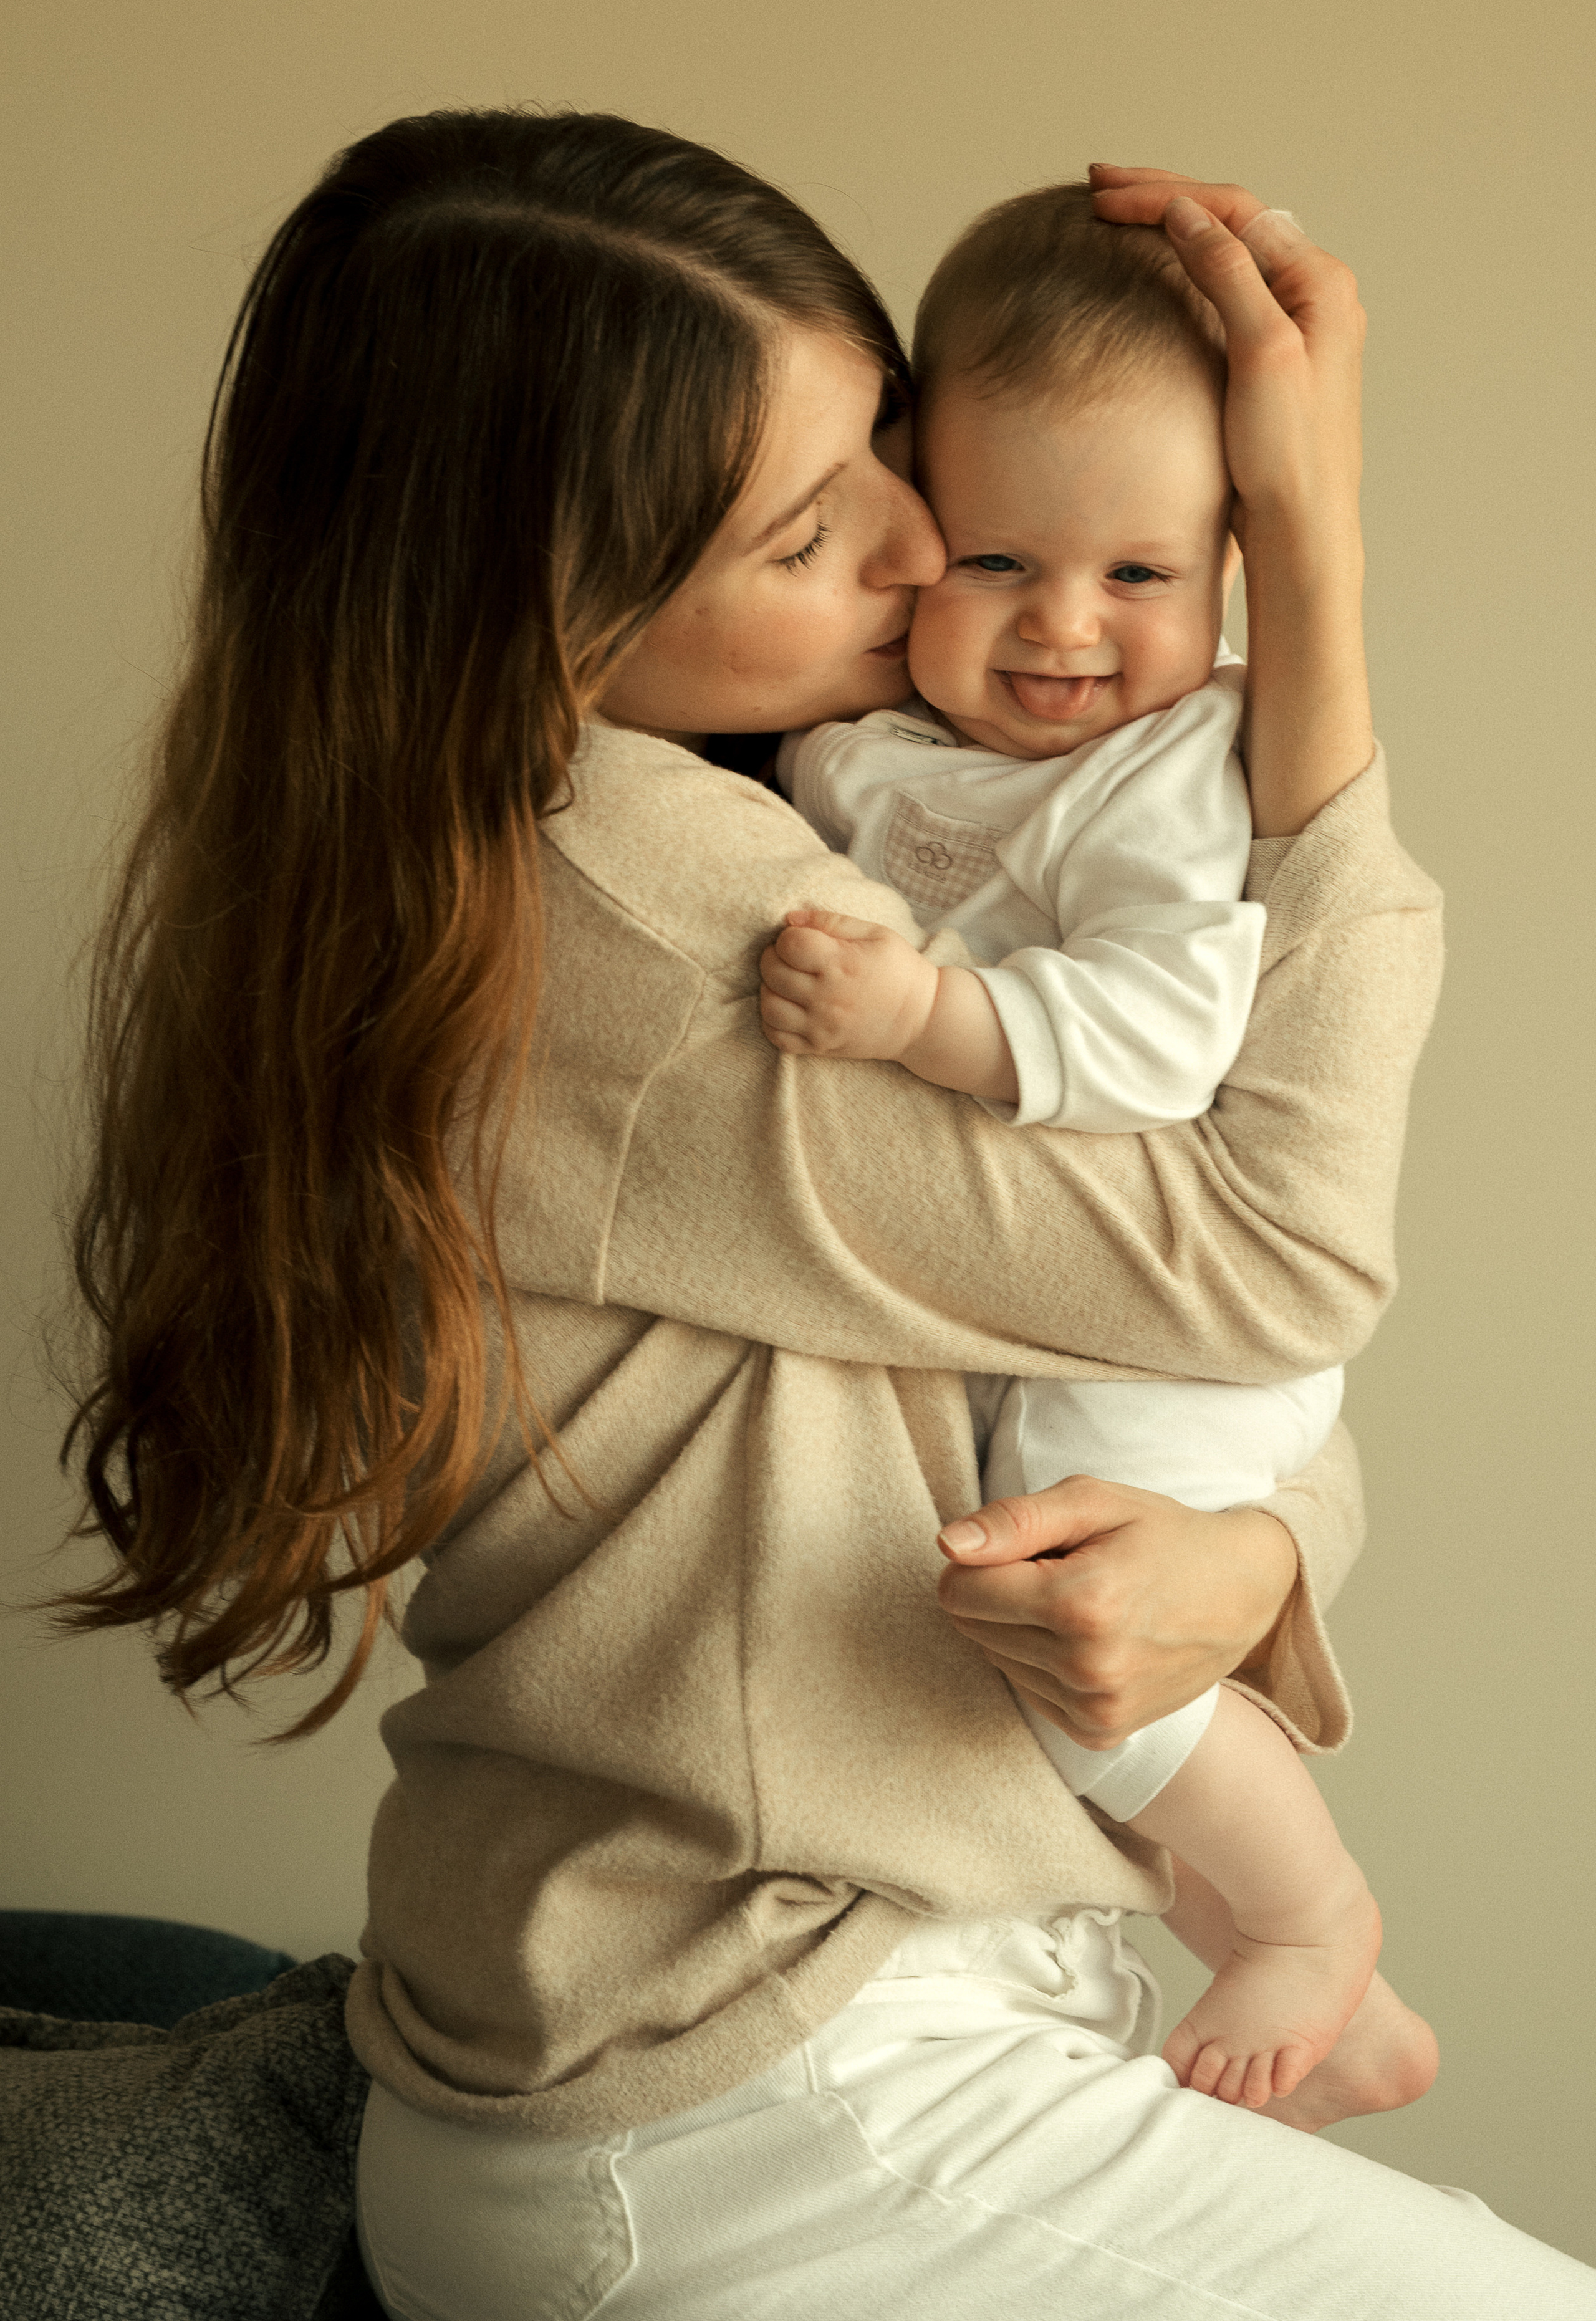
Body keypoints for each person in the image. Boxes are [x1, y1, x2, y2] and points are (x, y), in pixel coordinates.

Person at [55, 112, 1592, 2315]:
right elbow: (1275, 1250)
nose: (920, 539)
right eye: (803, 527)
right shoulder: (663, 924)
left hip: (778, 2046)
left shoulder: (799, 816)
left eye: (878, 435)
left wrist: (1255, 1547)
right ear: (549, 612)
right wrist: (1311, 568)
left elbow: (1161, 1347)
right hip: (758, 2095)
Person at [760, 180, 1420, 2113]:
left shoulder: (1163, 777)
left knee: (1061, 1581)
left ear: (1225, 579)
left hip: (1168, 1335)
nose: (1061, 627)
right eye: (997, 558)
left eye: (1142, 575)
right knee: (1064, 1604)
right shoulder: (874, 741)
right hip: (1111, 1297)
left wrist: (927, 1024)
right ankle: (1292, 1969)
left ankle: (1308, 1913)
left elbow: (1166, 1032)